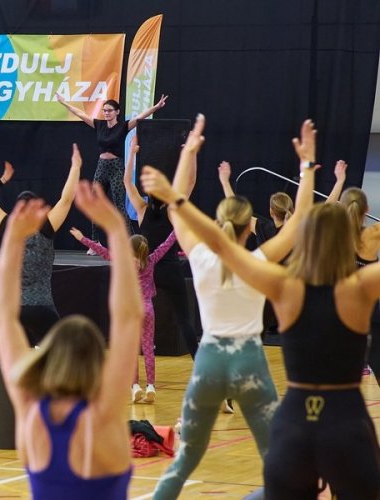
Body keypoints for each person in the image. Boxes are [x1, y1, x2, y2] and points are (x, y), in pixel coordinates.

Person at [142, 117, 380, 499]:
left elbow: (199, 227)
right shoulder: (345, 283)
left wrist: (182, 175)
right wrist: (307, 169)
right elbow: (298, 221)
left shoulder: (247, 271)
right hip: (282, 380)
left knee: (189, 460)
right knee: (286, 466)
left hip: (225, 369)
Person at [0, 183, 143, 500]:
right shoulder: (104, 416)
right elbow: (129, 318)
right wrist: (116, 230)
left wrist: (13, 239)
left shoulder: (30, 413)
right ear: (96, 362)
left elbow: (3, 318)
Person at [0, 145, 83, 411]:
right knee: (62, 352)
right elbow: (66, 199)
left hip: (14, 308)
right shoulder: (46, 227)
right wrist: (75, 167)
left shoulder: (9, 227)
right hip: (43, 308)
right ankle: (66, 401)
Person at [70, 226, 176, 403]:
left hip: (131, 310)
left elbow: (103, 252)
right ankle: (150, 386)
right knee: (148, 348)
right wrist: (177, 228)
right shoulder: (151, 260)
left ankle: (135, 387)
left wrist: (82, 238)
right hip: (147, 309)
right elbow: (166, 244)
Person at [125, 135, 200, 361]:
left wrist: (132, 153)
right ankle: (199, 364)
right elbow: (191, 182)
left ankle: (128, 365)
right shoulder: (172, 211)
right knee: (184, 319)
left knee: (133, 318)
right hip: (170, 270)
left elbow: (127, 182)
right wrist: (191, 154)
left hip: (147, 271)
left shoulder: (141, 210)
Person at [56, 93, 167, 240]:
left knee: (119, 205)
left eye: (109, 110)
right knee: (94, 203)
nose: (106, 113)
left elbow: (141, 117)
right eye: (104, 110)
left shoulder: (123, 126)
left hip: (116, 167)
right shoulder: (99, 125)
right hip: (101, 166)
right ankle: (95, 242)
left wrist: (157, 107)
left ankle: (132, 241)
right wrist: (64, 103)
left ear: (117, 112)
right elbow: (80, 114)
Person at [218, 159, 346, 246]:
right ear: (292, 208)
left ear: (271, 211)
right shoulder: (299, 229)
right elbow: (325, 209)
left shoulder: (263, 229)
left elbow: (236, 208)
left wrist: (225, 182)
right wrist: (339, 181)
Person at [339, 186, 380, 385]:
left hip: (341, 311)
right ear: (367, 209)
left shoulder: (334, 235)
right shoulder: (375, 233)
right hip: (371, 312)